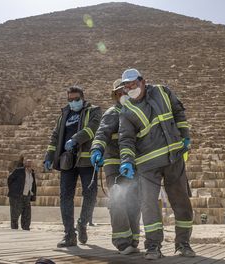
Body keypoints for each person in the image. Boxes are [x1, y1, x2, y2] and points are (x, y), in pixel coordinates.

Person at [118, 69, 195, 259]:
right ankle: (153, 247)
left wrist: (185, 137)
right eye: (126, 86)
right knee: (149, 206)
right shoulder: (127, 111)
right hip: (147, 165)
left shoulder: (163, 92)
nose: (130, 89)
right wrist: (127, 161)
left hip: (174, 158)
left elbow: (178, 112)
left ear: (143, 81)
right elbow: (126, 139)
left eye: (133, 84)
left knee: (182, 202)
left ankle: (183, 244)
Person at [44, 85, 101, 247]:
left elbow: (93, 128)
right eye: (70, 100)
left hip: (86, 159)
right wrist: (49, 155)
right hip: (67, 161)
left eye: (76, 99)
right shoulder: (64, 115)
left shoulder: (94, 110)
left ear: (83, 98)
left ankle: (82, 223)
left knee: (90, 194)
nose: (73, 102)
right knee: (65, 196)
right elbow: (55, 135)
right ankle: (69, 234)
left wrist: (76, 139)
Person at [90, 79, 140, 255]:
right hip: (114, 163)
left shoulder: (136, 111)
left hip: (133, 163)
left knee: (134, 202)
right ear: (115, 96)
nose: (122, 96)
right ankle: (122, 242)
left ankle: (133, 240)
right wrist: (96, 149)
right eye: (118, 94)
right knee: (118, 200)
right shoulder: (113, 112)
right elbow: (102, 132)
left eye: (124, 92)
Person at [7, 158, 37, 230]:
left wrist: (32, 195)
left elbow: (33, 185)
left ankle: (26, 228)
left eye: (30, 163)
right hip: (17, 196)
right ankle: (14, 229)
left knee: (27, 214)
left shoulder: (32, 173)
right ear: (25, 164)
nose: (29, 164)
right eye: (28, 163)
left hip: (27, 196)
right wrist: (13, 190)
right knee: (15, 214)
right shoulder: (18, 171)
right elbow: (9, 179)